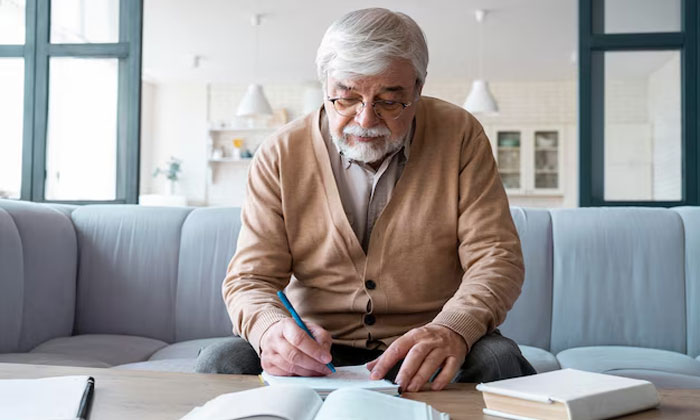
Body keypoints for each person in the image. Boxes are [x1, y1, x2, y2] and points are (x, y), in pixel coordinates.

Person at [195, 7, 535, 391]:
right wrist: (270, 329)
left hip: (426, 342)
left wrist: (452, 328)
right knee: (221, 362)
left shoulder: (460, 136)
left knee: (497, 360)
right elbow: (250, 278)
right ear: (326, 87)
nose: (366, 119)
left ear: (418, 89)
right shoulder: (280, 153)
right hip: (318, 349)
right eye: (346, 98)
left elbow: (496, 258)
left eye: (390, 102)